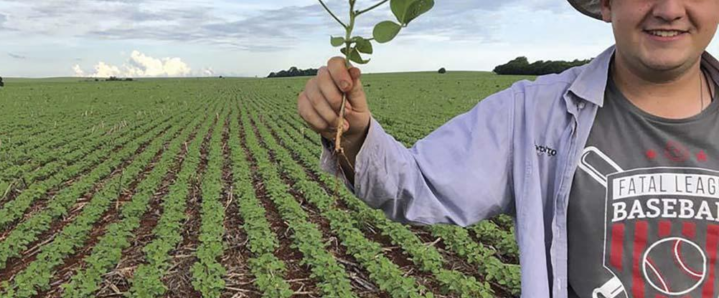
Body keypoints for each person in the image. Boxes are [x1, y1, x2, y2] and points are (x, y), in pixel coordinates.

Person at [297, 0, 719, 297]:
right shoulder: (532, 112)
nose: (669, 8)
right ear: (607, 4)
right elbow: (416, 185)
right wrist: (353, 136)